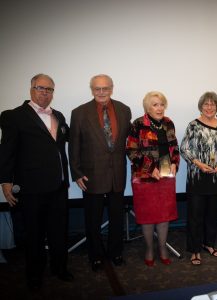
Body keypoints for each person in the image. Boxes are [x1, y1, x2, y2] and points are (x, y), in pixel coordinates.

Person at [0, 74, 73, 290]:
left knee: (59, 231)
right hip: (32, 187)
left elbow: (64, 141)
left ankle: (60, 269)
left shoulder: (58, 115)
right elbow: (6, 151)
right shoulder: (13, 116)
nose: (45, 92)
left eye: (49, 89)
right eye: (40, 88)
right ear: (31, 89)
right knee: (34, 235)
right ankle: (34, 276)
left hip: (59, 185)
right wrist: (5, 181)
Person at [69, 74, 132, 271]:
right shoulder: (79, 112)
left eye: (105, 88)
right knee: (92, 218)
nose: (102, 92)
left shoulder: (123, 109)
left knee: (116, 218)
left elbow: (128, 143)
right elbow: (74, 145)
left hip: (117, 173)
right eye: (97, 88)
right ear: (92, 89)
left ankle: (116, 253)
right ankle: (95, 255)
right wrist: (76, 172)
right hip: (91, 174)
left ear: (112, 88)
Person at [180, 91, 217, 265]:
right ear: (201, 106)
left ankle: (209, 244)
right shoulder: (193, 125)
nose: (209, 107)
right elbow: (184, 149)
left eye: (212, 104)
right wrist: (198, 163)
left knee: (212, 215)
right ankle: (195, 250)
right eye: (206, 104)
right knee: (195, 215)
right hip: (198, 177)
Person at [126, 91, 180, 267]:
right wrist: (150, 169)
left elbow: (174, 147)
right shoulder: (138, 124)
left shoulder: (168, 123)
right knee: (148, 217)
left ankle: (163, 248)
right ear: (147, 107)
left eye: (161, 104)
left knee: (164, 216)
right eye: (155, 104)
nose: (159, 108)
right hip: (144, 179)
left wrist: (174, 164)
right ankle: (149, 249)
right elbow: (131, 151)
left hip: (166, 176)